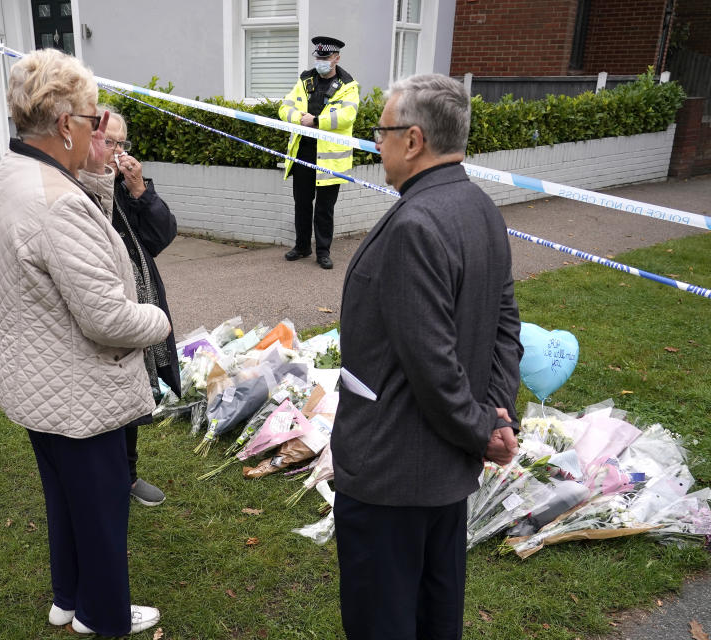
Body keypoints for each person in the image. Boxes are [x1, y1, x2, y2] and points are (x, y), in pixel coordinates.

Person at [0, 49, 170, 636]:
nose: (99, 130)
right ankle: (103, 615)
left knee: (65, 502)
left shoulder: (9, 175)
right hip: (79, 389)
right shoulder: (55, 203)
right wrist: (159, 320)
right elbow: (107, 318)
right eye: (92, 120)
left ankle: (68, 597)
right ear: (66, 124)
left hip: (39, 380)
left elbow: (77, 244)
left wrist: (95, 174)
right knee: (102, 511)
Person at [330, 74, 523, 640]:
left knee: (384, 619)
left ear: (413, 141)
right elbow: (506, 323)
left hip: (393, 471)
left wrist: (483, 426)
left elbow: (432, 361)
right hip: (440, 473)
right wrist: (497, 411)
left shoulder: (415, 223)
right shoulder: (479, 204)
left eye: (382, 132)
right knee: (435, 613)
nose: (376, 143)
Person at [97, 105, 179, 507]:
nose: (116, 151)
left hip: (138, 298)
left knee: (134, 387)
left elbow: (160, 237)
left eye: (121, 142)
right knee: (107, 388)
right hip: (102, 304)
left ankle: (127, 476)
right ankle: (106, 477)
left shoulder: (125, 186)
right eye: (107, 141)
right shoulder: (81, 186)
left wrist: (140, 191)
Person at [278, 35, 359, 270]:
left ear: (336, 58)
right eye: (318, 57)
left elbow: (346, 117)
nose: (321, 61)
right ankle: (302, 246)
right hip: (303, 151)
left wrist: (316, 121)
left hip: (330, 156)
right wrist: (299, 119)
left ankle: (323, 252)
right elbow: (285, 107)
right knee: (302, 202)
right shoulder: (304, 81)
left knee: (325, 208)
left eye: (326, 57)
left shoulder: (348, 86)